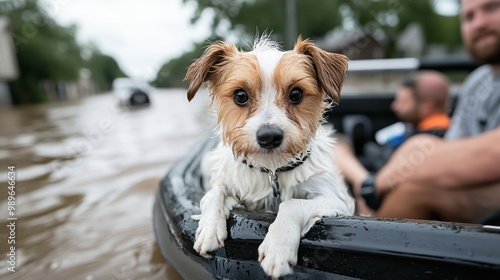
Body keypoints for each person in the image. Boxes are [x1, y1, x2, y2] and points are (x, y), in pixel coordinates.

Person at [339, 0, 500, 223]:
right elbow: (451, 148)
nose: (479, 23)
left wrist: (374, 184)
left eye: (492, 8)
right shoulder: (477, 82)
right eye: (469, 17)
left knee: (414, 191)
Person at [335, 71, 452, 215]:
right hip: (375, 183)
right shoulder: (428, 132)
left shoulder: (425, 144)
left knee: (337, 148)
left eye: (402, 102)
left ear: (426, 105)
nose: (394, 107)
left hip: (377, 204)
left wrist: (363, 183)